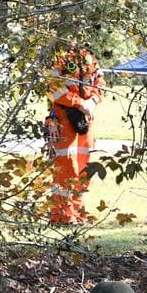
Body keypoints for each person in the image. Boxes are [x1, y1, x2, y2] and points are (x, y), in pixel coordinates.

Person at [45, 42, 103, 225]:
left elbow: (100, 83)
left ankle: (77, 215)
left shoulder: (88, 57)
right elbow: (53, 89)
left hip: (85, 121)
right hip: (63, 118)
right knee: (65, 167)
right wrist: (80, 103)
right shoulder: (56, 56)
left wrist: (92, 101)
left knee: (84, 171)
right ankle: (62, 215)